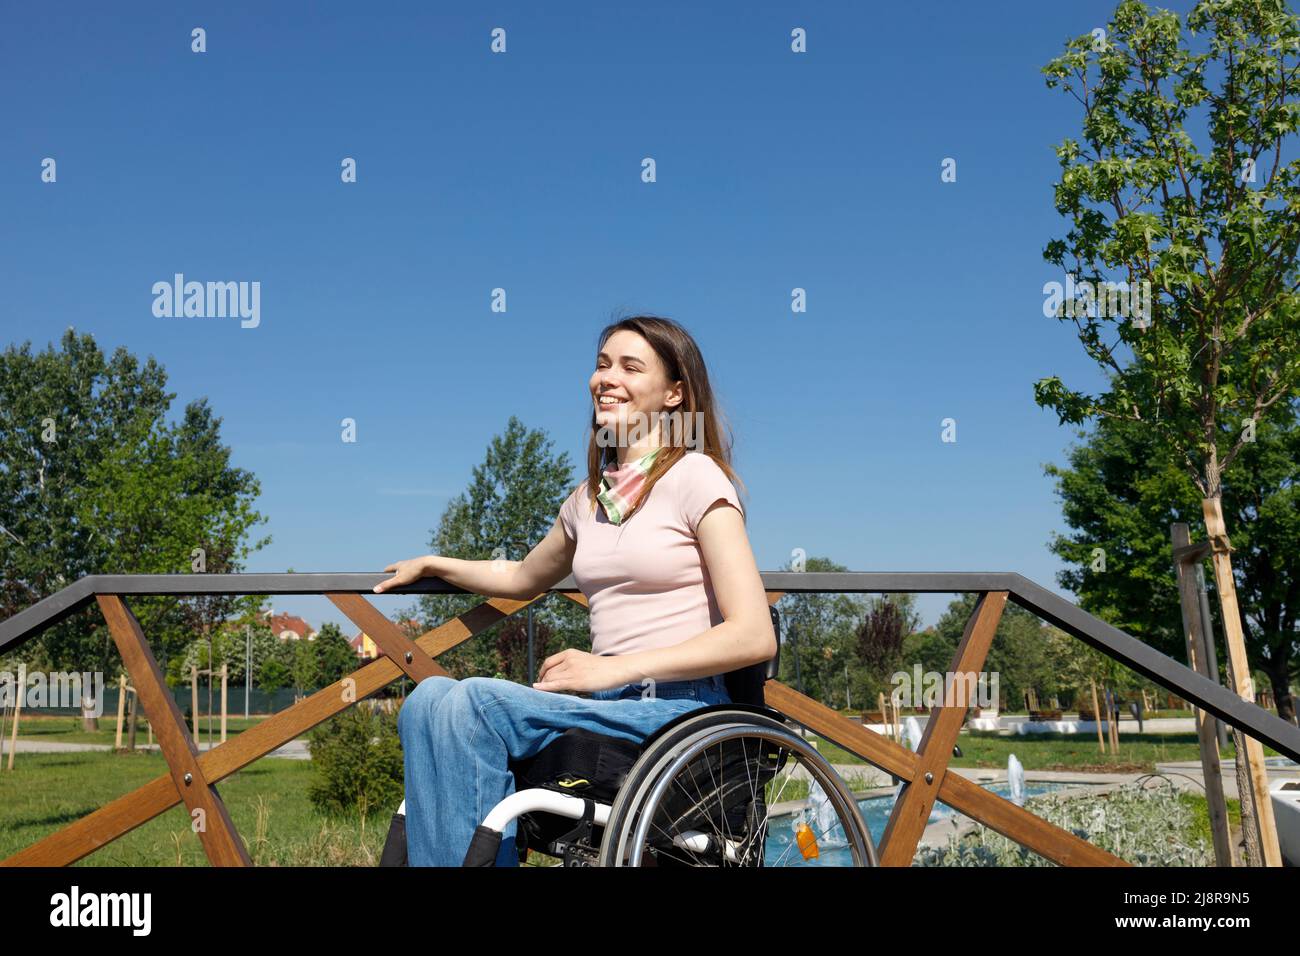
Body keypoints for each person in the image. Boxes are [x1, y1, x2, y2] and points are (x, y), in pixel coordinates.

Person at [373, 315, 776, 866]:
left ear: (674, 393)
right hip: (600, 709)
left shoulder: (696, 477)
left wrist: (612, 669)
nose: (606, 377)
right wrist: (435, 562)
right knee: (426, 702)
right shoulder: (587, 500)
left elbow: (754, 636)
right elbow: (520, 577)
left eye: (630, 366)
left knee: (474, 704)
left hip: (679, 713)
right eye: (602, 364)